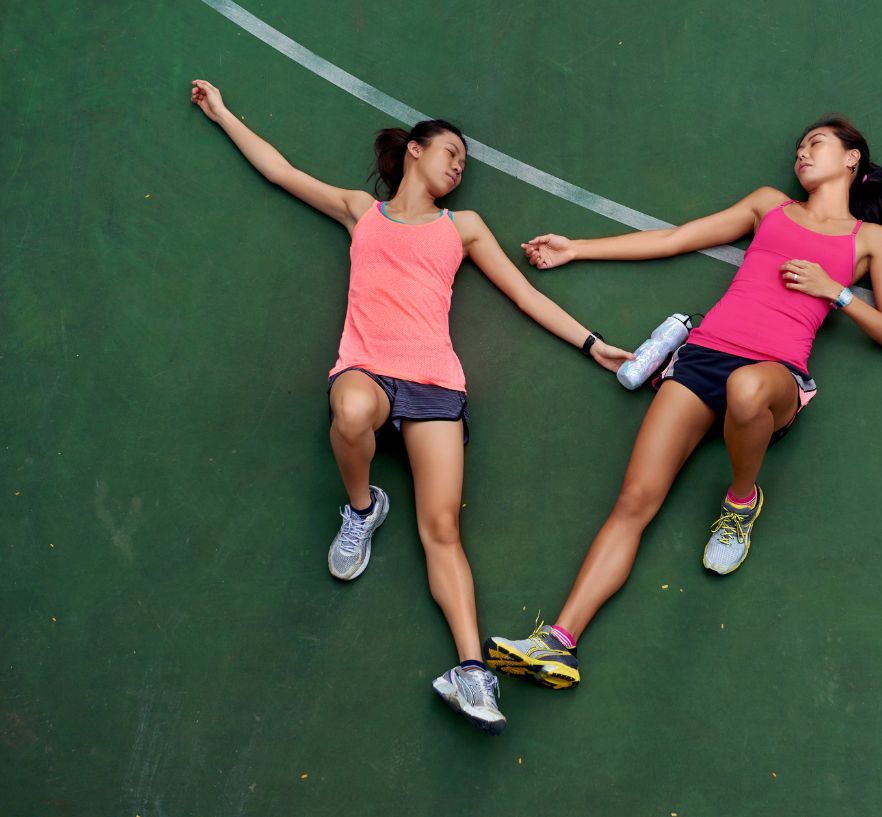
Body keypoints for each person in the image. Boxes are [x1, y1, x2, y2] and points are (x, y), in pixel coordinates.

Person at [189, 79, 632, 731]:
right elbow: (280, 170)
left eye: (464, 162)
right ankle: (364, 509)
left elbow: (523, 296)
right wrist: (224, 113)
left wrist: (593, 343)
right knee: (349, 411)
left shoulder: (465, 228)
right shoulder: (359, 211)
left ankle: (472, 671)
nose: (459, 164)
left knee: (444, 532)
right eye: (450, 151)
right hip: (366, 369)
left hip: (434, 386)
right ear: (416, 150)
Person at [485, 115, 882, 691]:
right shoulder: (769, 206)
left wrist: (833, 291)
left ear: (852, 157)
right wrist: (576, 249)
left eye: (815, 145)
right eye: (799, 148)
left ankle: (741, 501)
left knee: (746, 389)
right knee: (634, 500)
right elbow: (678, 237)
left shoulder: (871, 241)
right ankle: (559, 643)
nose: (801, 155)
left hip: (775, 374)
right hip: (703, 356)